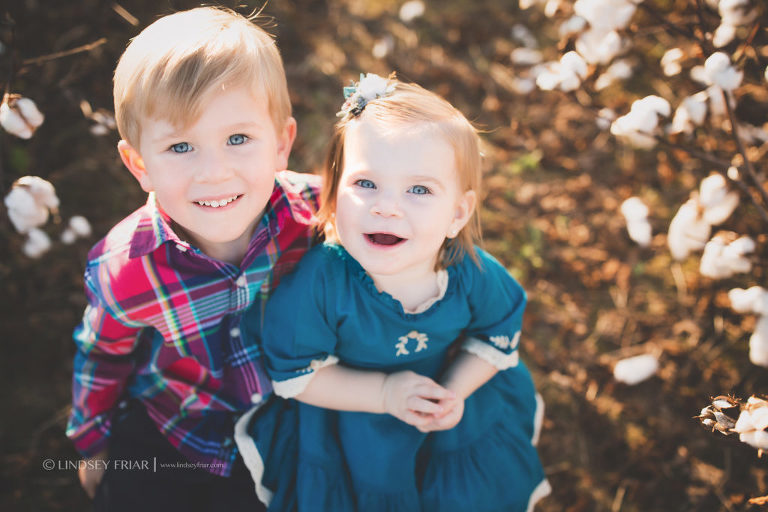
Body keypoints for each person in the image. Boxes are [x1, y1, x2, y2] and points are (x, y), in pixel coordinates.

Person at [235, 73, 550, 511]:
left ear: (457, 214)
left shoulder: (468, 271)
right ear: (333, 192)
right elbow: (299, 376)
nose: (387, 206)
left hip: (447, 406)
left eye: (419, 189)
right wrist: (383, 393)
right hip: (354, 420)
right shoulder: (324, 280)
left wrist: (455, 392)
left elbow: (497, 332)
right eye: (365, 184)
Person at [65, 7, 320, 511]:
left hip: (289, 422)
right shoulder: (127, 266)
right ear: (140, 164)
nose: (214, 172)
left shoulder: (318, 215)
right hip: (175, 426)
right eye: (181, 146)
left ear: (282, 143)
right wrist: (92, 445)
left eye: (238, 139)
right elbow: (103, 355)